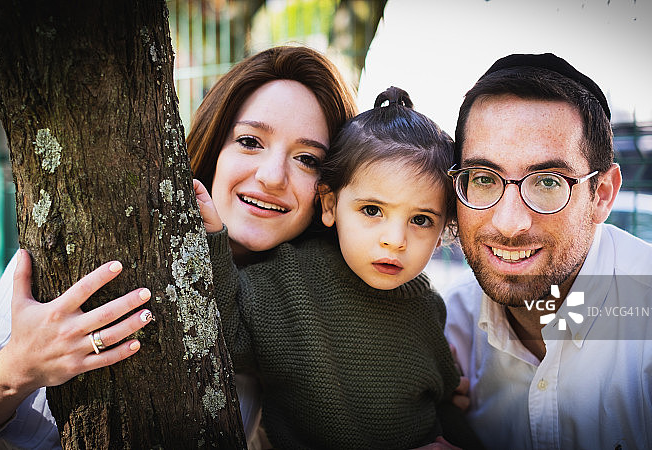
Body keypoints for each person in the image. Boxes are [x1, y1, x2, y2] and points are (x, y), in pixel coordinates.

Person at [0, 45, 356, 449]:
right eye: (249, 141)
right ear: (215, 145)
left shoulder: (304, 311)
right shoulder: (97, 241)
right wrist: (17, 369)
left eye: (308, 159)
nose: (273, 176)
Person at [443, 52, 652, 449]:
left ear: (603, 195)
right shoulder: (448, 325)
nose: (509, 223)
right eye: (483, 179)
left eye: (548, 182)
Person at [195, 86, 481, 449]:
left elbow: (442, 405)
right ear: (329, 205)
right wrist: (213, 239)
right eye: (372, 210)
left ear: (443, 232)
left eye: (421, 219)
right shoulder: (287, 279)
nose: (395, 239)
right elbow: (228, 337)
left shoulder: (429, 309)